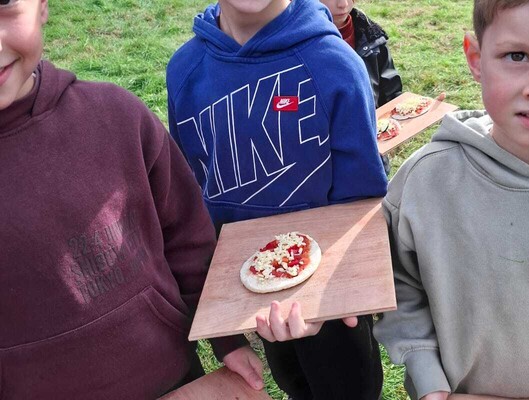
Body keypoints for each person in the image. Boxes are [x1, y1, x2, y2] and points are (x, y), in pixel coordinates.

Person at [0, 0, 316, 398]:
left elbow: (188, 238)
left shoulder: (116, 117)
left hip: (174, 381)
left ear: (42, 6)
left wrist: (225, 339)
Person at [373, 0, 529, 399]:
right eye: (518, 55)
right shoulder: (424, 184)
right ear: (476, 59)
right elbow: (399, 285)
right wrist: (430, 384)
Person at [166, 0, 388, 398]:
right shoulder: (184, 71)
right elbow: (191, 191)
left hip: (333, 303)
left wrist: (333, 299)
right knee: (294, 384)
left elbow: (362, 203)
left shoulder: (336, 66)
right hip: (252, 291)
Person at [319, 0, 402, 174]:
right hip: (323, 165)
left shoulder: (373, 38)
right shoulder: (295, 44)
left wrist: (417, 110)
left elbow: (392, 93)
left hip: (372, 158)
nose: (343, 4)